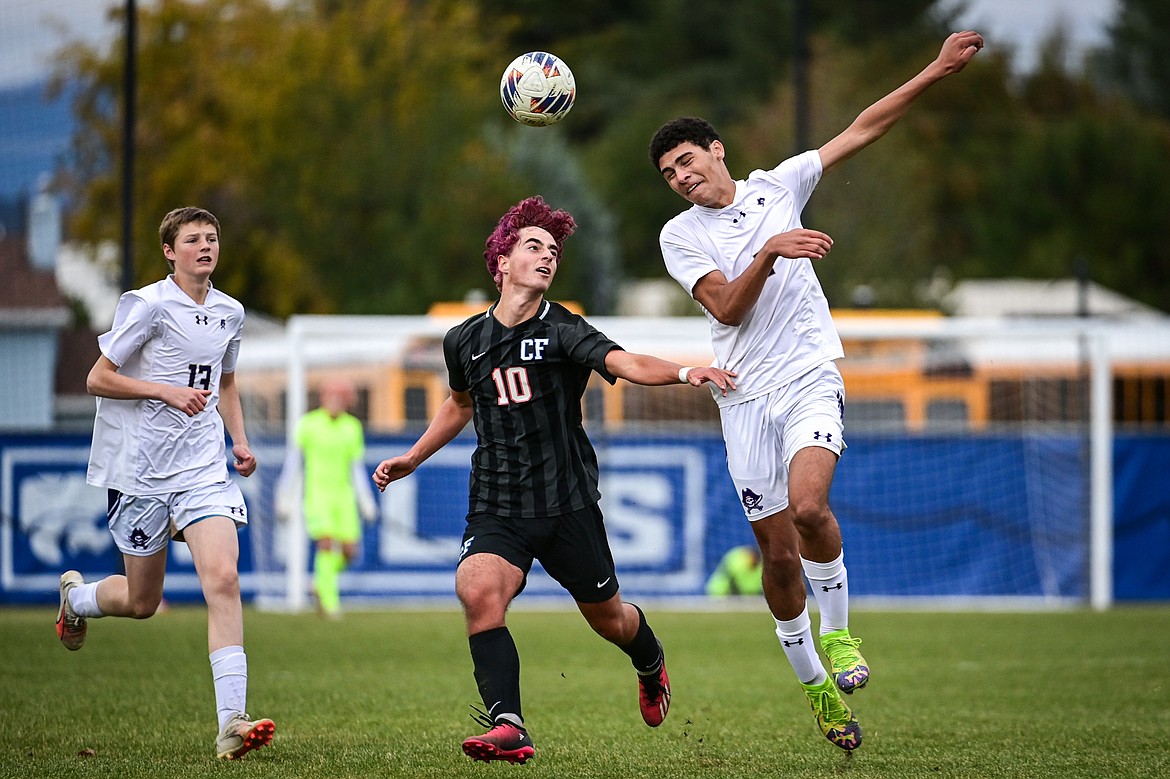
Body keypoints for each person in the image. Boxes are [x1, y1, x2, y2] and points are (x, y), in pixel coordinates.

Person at [648, 31, 985, 752]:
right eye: (668, 173)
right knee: (775, 559)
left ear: (717, 151)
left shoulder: (781, 183)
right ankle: (817, 689)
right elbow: (727, 309)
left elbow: (865, 125)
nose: (679, 177)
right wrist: (770, 250)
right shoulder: (681, 236)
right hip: (741, 398)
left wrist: (934, 68)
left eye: (686, 161)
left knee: (809, 506)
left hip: (806, 376)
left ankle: (839, 635)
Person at [372, 196, 737, 765]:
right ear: (502, 262)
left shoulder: (563, 328)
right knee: (477, 591)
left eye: (553, 251)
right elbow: (460, 403)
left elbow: (625, 363)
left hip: (566, 503)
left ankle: (648, 658)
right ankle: (509, 724)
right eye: (533, 247)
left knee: (610, 620)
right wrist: (412, 458)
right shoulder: (462, 340)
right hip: (497, 501)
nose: (547, 258)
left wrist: (689, 371)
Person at [54, 206, 274, 761]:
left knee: (223, 577)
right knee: (142, 600)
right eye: (193, 239)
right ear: (170, 252)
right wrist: (163, 390)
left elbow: (225, 381)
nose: (206, 246)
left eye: (212, 237)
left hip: (203, 469)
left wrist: (239, 439)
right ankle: (77, 599)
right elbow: (97, 377)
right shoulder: (148, 305)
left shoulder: (230, 312)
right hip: (141, 472)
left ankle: (231, 724)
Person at [276, 377, 378, 619]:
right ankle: (330, 603)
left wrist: (366, 501)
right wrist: (285, 496)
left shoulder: (352, 427)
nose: (335, 400)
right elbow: (294, 464)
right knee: (326, 543)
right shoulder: (308, 425)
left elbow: (356, 468)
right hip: (317, 496)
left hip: (344, 498)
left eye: (340, 396)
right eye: (331, 395)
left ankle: (321, 582)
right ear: (322, 398)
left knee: (349, 552)